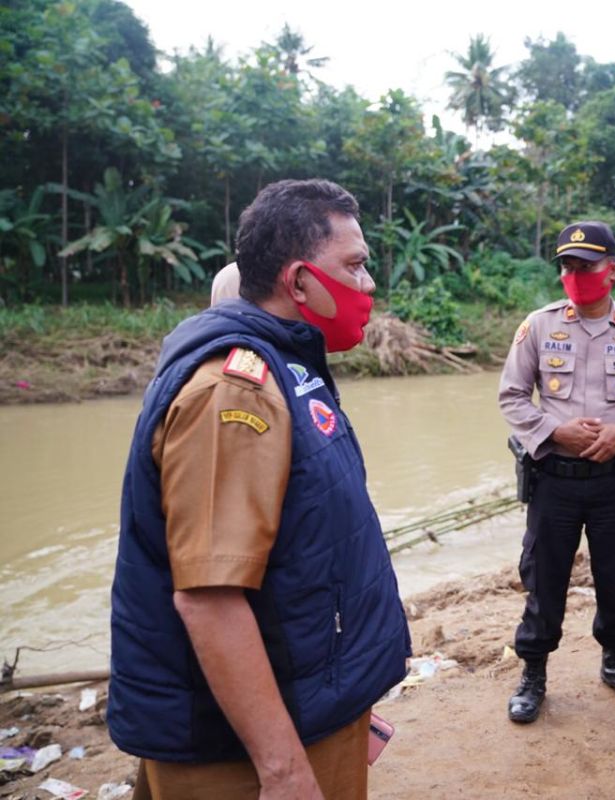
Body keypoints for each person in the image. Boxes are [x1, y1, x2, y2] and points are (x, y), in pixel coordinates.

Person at [110, 179, 412, 800]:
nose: (369, 284)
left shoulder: (290, 366)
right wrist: (282, 769)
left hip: (308, 699)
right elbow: (210, 596)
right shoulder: (233, 393)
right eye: (354, 266)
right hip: (250, 744)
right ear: (299, 282)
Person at [498, 220, 615, 724]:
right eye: (567, 266)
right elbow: (512, 396)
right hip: (553, 480)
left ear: (611, 271)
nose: (574, 275)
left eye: (586, 266)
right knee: (543, 579)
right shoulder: (538, 325)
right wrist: (555, 433)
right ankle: (533, 673)